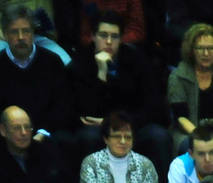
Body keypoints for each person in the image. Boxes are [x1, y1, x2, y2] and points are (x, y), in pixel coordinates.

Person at [66, 16, 171, 171]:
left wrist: (119, 123)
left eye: (114, 36)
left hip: (132, 124)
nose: (109, 41)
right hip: (98, 130)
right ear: (93, 36)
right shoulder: (80, 64)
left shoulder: (136, 60)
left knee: (158, 135)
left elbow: (155, 107)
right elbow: (85, 111)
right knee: (88, 137)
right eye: (103, 35)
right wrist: (101, 73)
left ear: (121, 39)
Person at [0, 10, 77, 167]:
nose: (21, 37)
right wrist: (10, 134)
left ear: (33, 33)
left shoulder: (52, 62)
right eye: (14, 32)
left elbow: (63, 105)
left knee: (66, 141)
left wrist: (43, 133)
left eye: (26, 31)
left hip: (44, 132)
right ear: (5, 34)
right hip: (6, 135)